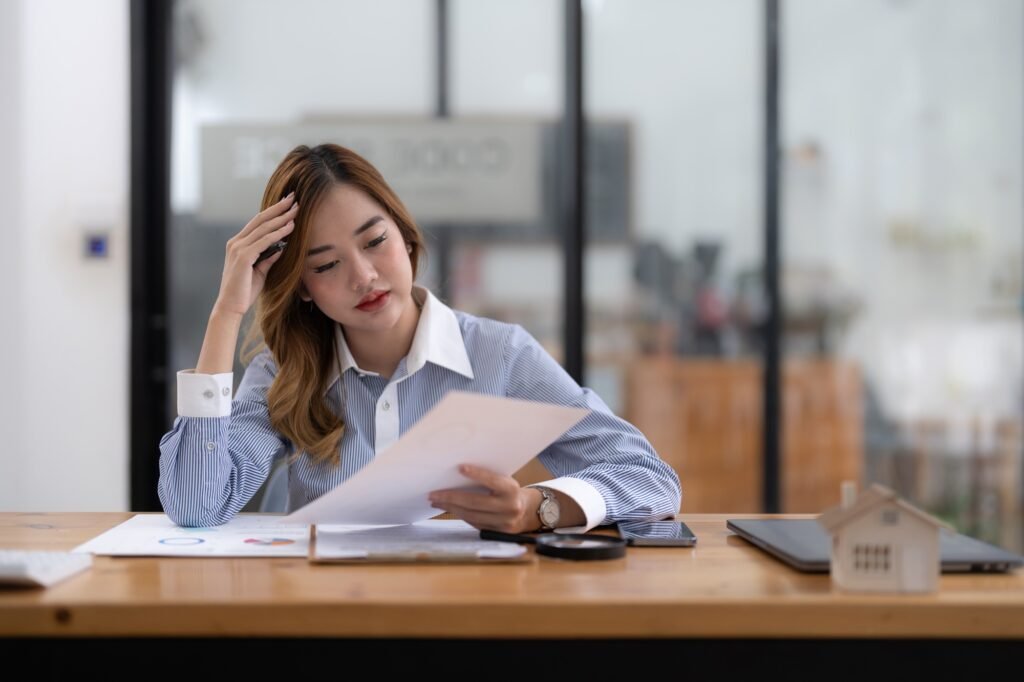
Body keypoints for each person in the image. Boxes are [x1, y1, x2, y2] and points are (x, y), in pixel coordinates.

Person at [158, 143, 681, 532]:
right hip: (327, 622)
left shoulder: (500, 355)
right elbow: (195, 505)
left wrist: (537, 508)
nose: (363, 276)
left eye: (375, 241)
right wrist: (227, 312)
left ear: (406, 237)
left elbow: (650, 479)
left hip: (463, 620)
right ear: (303, 290)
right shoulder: (284, 372)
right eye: (327, 265)